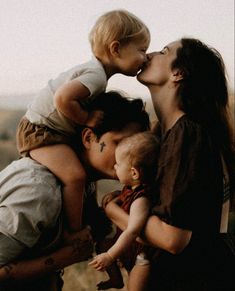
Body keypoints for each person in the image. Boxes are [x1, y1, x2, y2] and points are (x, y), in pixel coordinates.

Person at [103, 38, 235, 290]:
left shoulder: (188, 135)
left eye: (164, 51)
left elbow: (172, 238)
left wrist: (115, 212)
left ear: (178, 73)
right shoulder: (167, 134)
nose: (149, 54)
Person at [16, 9, 150, 237]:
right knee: (75, 176)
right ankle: (74, 231)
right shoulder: (96, 76)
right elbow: (62, 98)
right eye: (141, 50)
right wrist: (85, 119)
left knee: (83, 179)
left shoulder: (96, 74)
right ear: (116, 48)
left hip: (49, 129)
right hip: (41, 132)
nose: (145, 57)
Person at [0, 91, 150, 291]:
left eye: (136, 148)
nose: (131, 155)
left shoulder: (82, 186)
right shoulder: (39, 190)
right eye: (120, 143)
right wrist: (64, 257)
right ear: (88, 138)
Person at [89, 132, 160, 291]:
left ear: (134, 172)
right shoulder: (131, 189)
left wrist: (110, 256)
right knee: (102, 244)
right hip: (127, 245)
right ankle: (116, 279)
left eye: (118, 164)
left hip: (140, 256)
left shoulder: (142, 200)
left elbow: (133, 230)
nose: (115, 166)